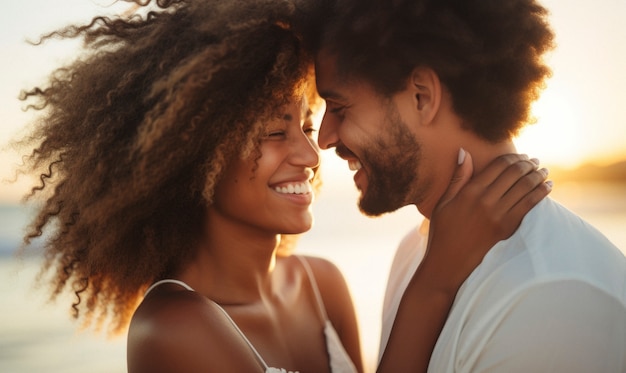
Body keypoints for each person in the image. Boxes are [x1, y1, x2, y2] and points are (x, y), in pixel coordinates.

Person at [14, 0, 550, 372]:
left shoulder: (322, 285)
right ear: (189, 156)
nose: (311, 155)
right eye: (275, 132)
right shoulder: (173, 327)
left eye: (309, 126)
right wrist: (437, 279)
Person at [312, 0, 626, 372]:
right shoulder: (415, 251)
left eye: (340, 107)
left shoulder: (554, 296)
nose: (323, 138)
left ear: (422, 97)